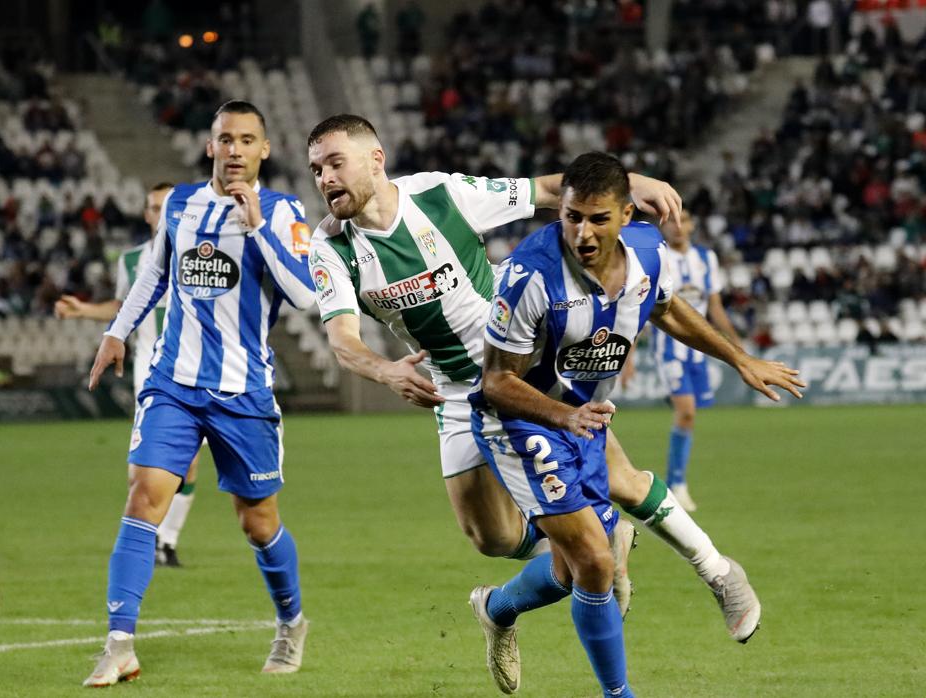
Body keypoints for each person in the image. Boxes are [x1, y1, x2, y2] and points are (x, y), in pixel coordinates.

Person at [303, 115, 763, 687]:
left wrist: (632, 183)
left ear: (376, 158)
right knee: (492, 539)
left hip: (524, 367)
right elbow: (344, 340)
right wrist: (385, 369)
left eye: (334, 162)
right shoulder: (327, 246)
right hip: (454, 392)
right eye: (317, 168)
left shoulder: (440, 195)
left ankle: (718, 572)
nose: (324, 177)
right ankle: (504, 603)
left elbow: (547, 192)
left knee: (620, 483)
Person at [468, 153, 805, 696]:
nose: (582, 232)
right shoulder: (531, 275)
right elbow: (496, 381)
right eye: (572, 216)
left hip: (583, 421)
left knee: (566, 572)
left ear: (626, 216)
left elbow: (667, 310)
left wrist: (739, 358)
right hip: (522, 422)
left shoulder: (649, 253)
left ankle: (497, 608)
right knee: (596, 563)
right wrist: (565, 415)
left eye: (598, 218)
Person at [83, 101, 315, 687]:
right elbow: (153, 275)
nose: (235, 149)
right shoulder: (182, 204)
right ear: (210, 146)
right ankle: (118, 643)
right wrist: (116, 332)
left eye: (247, 140)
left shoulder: (286, 211)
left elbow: (305, 295)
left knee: (258, 523)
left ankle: (291, 623)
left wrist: (258, 225)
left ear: (264, 149)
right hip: (174, 383)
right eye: (225, 139)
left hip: (245, 392)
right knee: (144, 496)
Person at [56, 182, 201, 568]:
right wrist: (84, 311)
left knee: (187, 464)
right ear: (147, 213)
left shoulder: (207, 251)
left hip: (197, 370)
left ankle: (166, 542)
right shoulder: (133, 260)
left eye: (166, 205)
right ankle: (148, 536)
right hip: (151, 373)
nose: (159, 213)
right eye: (154, 207)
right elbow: (124, 307)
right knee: (146, 466)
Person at [647, 210, 741, 511]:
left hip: (697, 350)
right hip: (668, 347)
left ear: (691, 225)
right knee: (685, 412)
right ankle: (677, 484)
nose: (677, 225)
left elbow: (715, 307)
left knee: (691, 416)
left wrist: (737, 348)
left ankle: (678, 481)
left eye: (683, 220)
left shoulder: (706, 258)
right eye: (671, 220)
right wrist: (631, 351)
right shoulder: (657, 257)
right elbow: (644, 304)